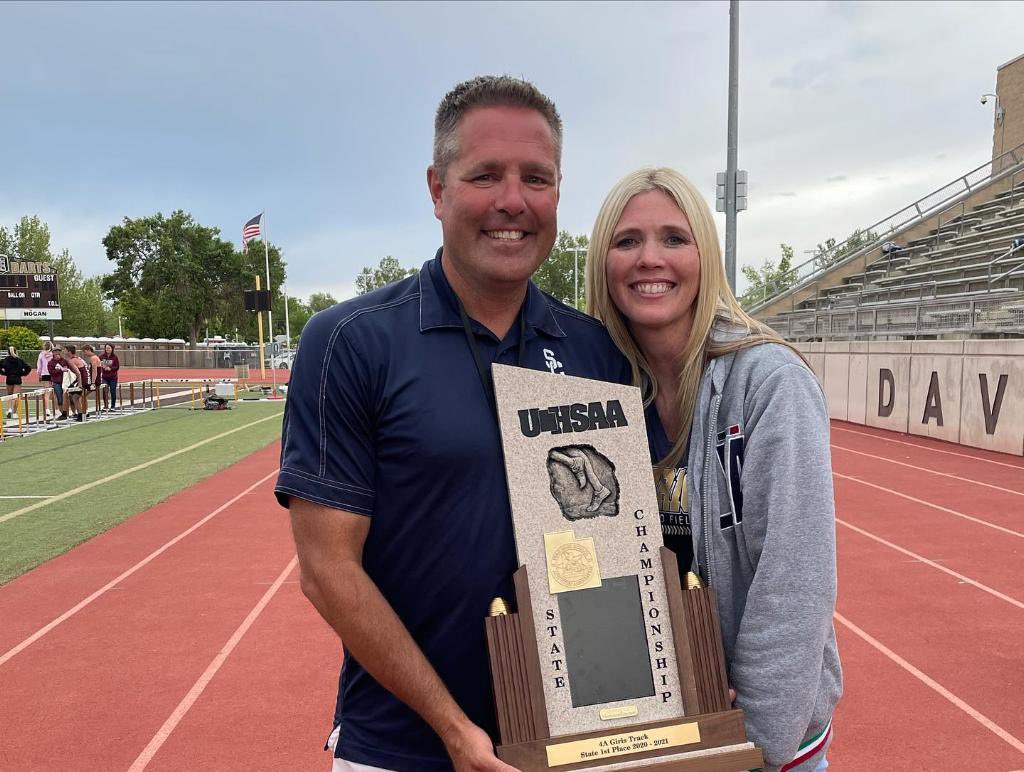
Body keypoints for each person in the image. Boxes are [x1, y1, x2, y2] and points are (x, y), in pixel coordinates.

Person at [275, 75, 631, 772]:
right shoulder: (351, 341)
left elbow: (612, 545)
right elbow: (326, 568)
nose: (513, 201)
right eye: (485, 176)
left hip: (575, 744)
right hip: (403, 749)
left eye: (537, 177)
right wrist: (455, 730)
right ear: (437, 191)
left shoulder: (593, 350)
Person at [586, 168, 842, 772]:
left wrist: (752, 743)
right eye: (627, 242)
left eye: (675, 238)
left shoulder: (770, 384)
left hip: (757, 745)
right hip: (645, 726)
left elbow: (795, 579)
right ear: (603, 261)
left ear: (707, 254)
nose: (651, 259)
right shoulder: (601, 391)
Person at [0, 346, 32, 419]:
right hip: (17, 378)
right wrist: (23, 373)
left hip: (9, 378)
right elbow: (28, 367)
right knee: (16, 396)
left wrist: (3, 373)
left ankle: (9, 409)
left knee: (9, 395)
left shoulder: (5, 360)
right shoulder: (19, 360)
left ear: (8, 352)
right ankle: (14, 412)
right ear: (15, 351)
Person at [64, 344, 88, 422]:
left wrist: (80, 384)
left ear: (69, 352)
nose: (64, 352)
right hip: (83, 378)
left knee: (75, 397)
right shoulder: (77, 358)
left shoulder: (71, 361)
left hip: (83, 379)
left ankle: (80, 414)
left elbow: (78, 373)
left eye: (65, 351)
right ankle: (81, 414)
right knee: (74, 396)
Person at [36, 341, 55, 417]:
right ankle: (55, 408)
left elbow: (39, 365)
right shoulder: (53, 354)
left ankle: (47, 409)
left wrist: (39, 374)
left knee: (46, 392)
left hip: (44, 374)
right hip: (53, 374)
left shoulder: (41, 354)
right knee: (54, 392)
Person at [99, 343, 120, 410]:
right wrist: (102, 366)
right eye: (106, 348)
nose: (107, 349)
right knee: (105, 391)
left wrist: (110, 368)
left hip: (113, 378)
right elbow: (99, 364)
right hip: (104, 377)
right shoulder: (102, 356)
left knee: (113, 391)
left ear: (112, 349)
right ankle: (105, 406)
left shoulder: (115, 357)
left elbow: (117, 367)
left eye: (109, 348)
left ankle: (113, 406)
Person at [82, 345, 102, 415]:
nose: (84, 354)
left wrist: (93, 383)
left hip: (95, 381)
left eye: (84, 352)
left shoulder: (93, 358)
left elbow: (94, 371)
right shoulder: (94, 357)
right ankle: (86, 411)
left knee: (82, 395)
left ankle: (85, 412)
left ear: (88, 350)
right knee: (83, 395)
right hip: (95, 380)